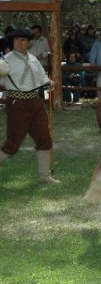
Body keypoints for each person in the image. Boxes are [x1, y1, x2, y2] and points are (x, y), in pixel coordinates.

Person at [0, 28, 60, 184]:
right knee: (12, 144)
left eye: (23, 40)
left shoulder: (33, 59)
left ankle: (45, 176)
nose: (19, 43)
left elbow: (42, 78)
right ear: (13, 42)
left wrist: (48, 83)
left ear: (28, 43)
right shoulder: (5, 61)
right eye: (16, 40)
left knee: (44, 139)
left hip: (36, 103)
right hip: (17, 104)